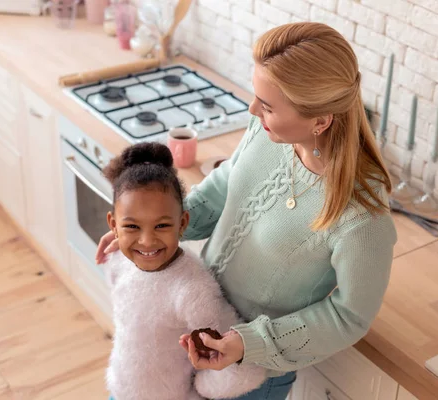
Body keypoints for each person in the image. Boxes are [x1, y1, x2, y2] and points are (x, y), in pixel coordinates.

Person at [97, 21, 397, 400]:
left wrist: (246, 343)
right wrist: (150, 232)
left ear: (320, 120)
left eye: (268, 106)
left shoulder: (362, 216)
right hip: (197, 326)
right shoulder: (267, 131)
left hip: (251, 370)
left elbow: (349, 316)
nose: (253, 110)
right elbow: (224, 186)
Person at [99, 142, 266, 400]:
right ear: (114, 224)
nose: (146, 241)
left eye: (161, 225)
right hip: (121, 389)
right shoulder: (118, 256)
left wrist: (202, 388)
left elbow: (240, 370)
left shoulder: (192, 292)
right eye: (132, 226)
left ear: (182, 223)